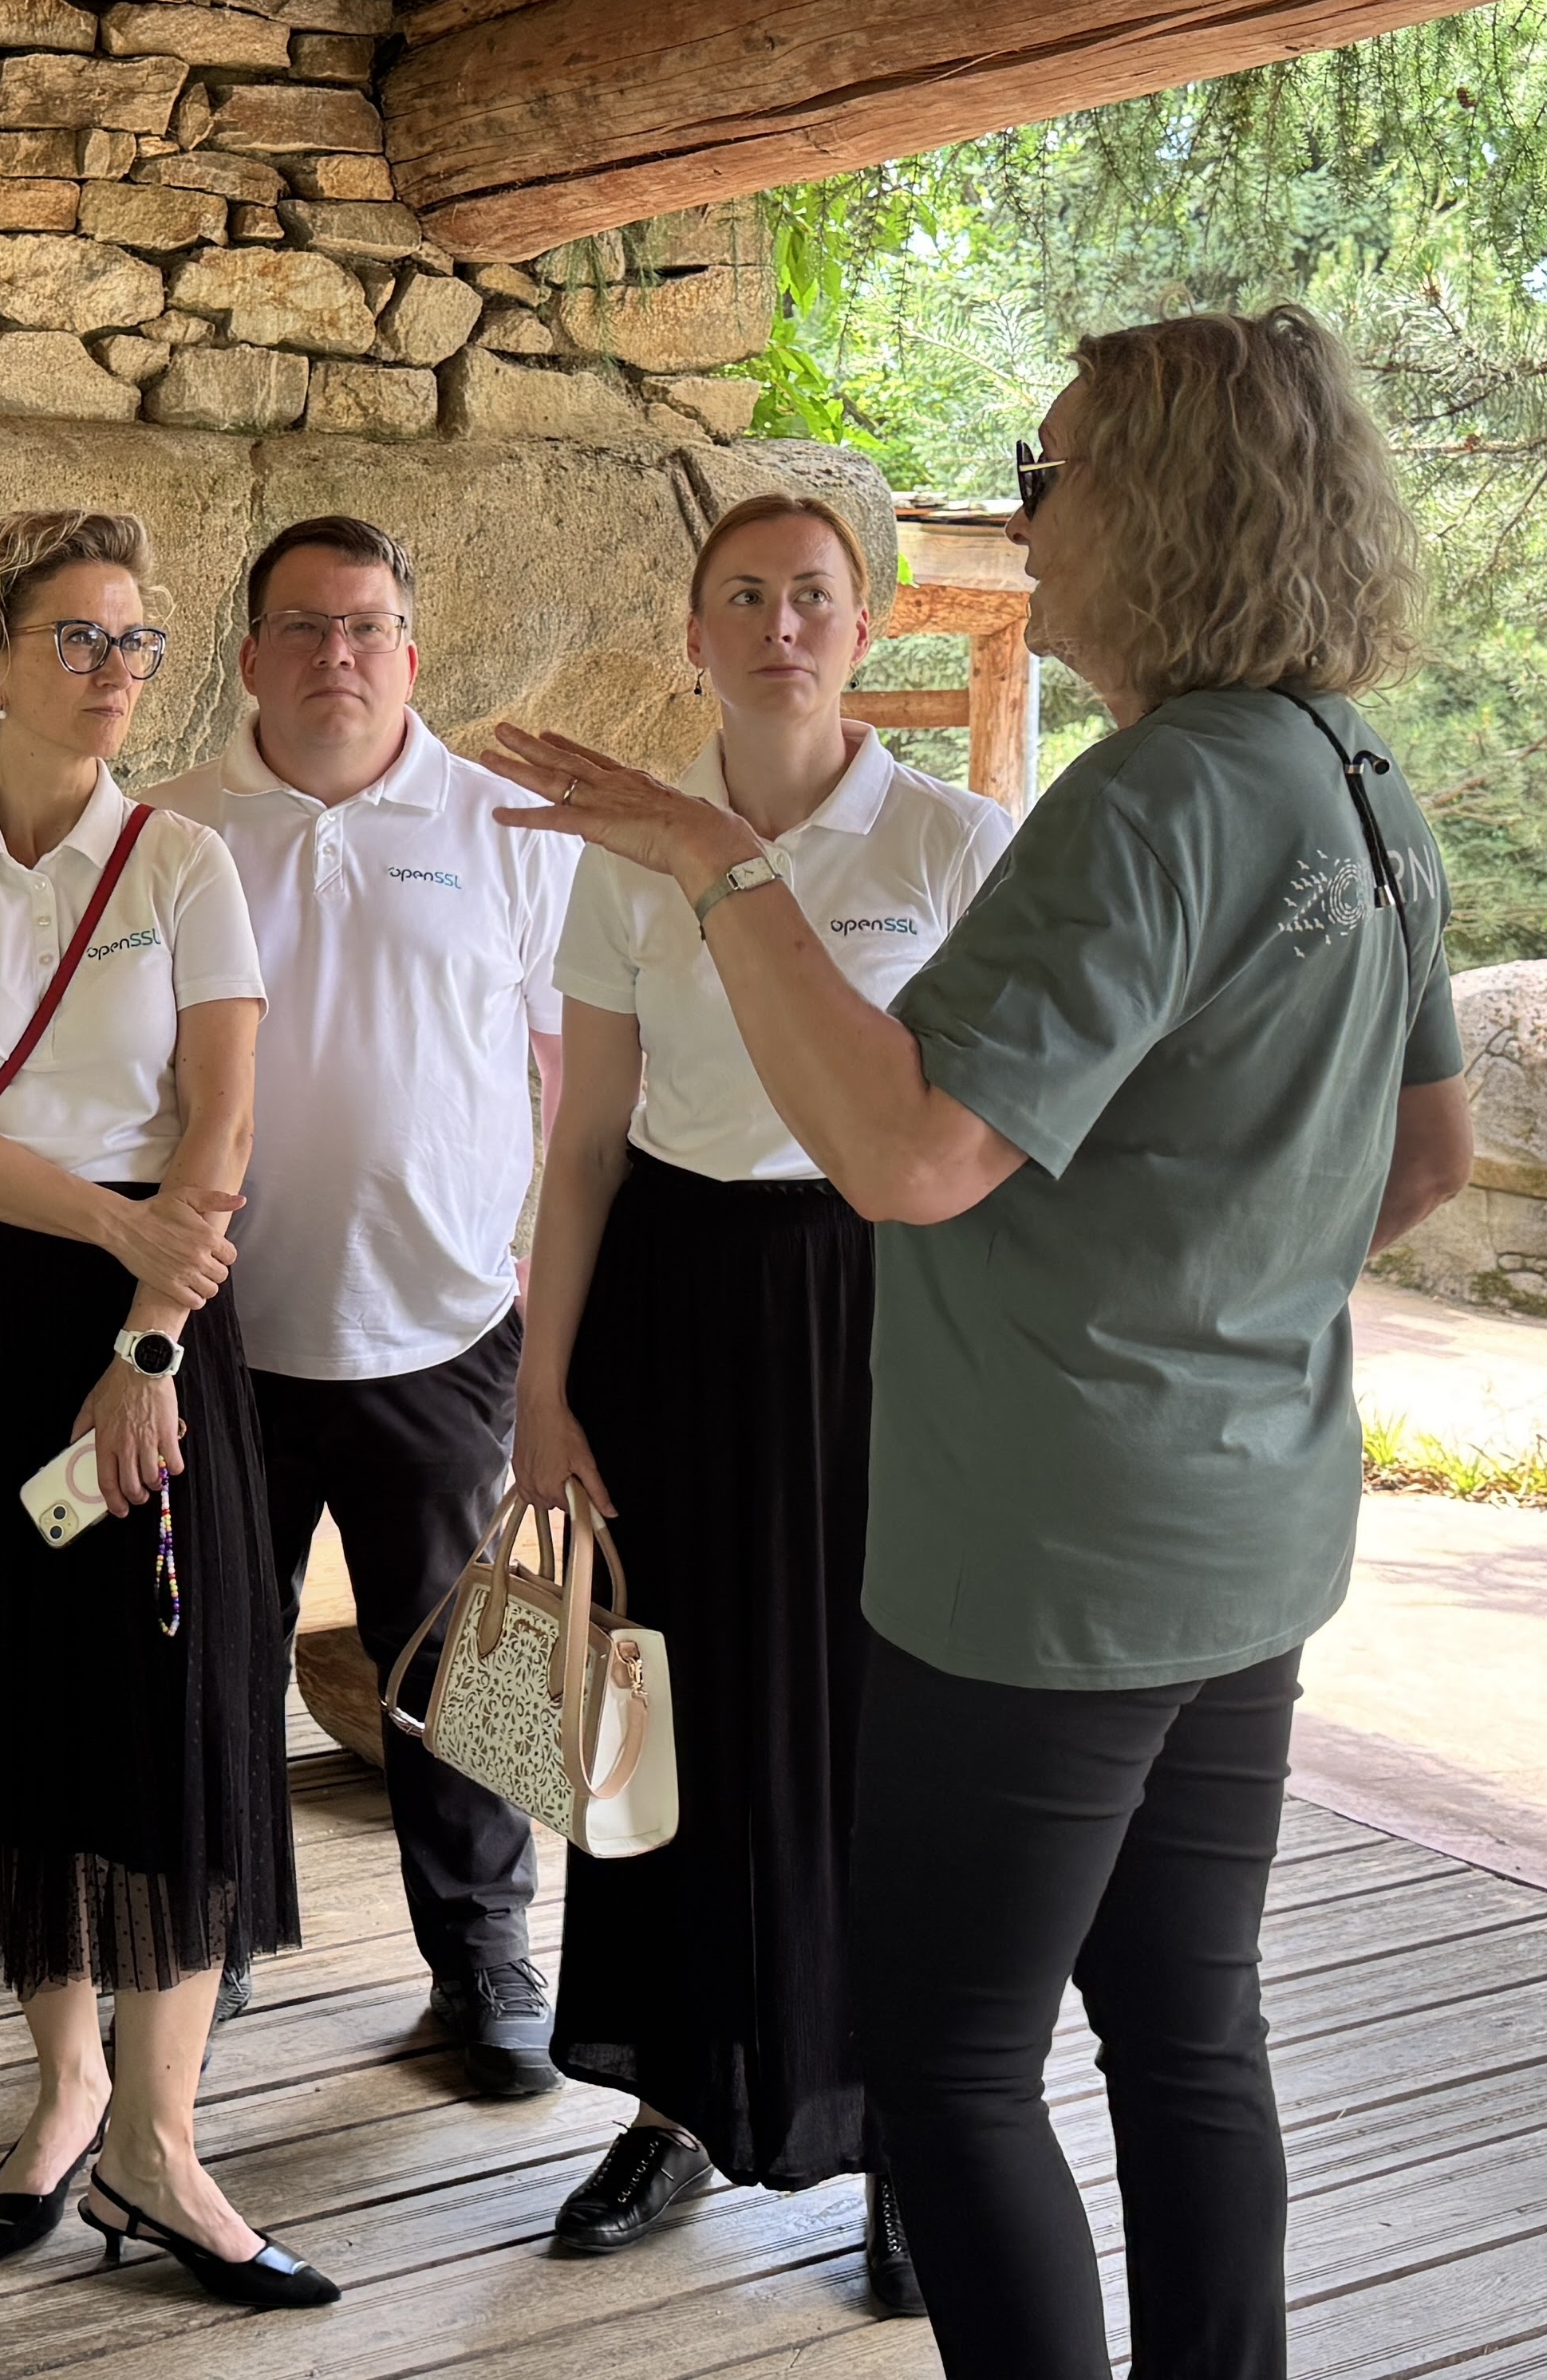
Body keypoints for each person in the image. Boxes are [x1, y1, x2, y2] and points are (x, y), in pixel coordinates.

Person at [487, 307, 1480, 2380]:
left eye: (1053, 476)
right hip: (1251, 1521)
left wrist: (709, 856)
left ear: (1174, 505)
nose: (1025, 525)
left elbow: (898, 1151)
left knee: (949, 2057)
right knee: (1189, 2026)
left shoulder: (1143, 806)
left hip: (1052, 1546)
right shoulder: (1359, 783)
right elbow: (1427, 1152)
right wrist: (1186, 1305)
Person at [0, 509, 333, 2311]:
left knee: (173, 1712)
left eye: (138, 642)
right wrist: (117, 1231)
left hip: (157, 1319)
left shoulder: (183, 862)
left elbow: (224, 1119)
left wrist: (150, 1331)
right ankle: (69, 2087)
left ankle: (162, 2144)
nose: (116, 671)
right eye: (81, 637)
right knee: (14, 1713)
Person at [511, 491, 1014, 2313]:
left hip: (876, 1311)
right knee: (654, 1712)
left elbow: (982, 1146)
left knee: (871, 1729)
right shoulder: (625, 850)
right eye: (747, 595)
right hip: (666, 1300)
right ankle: (665, 2092)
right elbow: (583, 1139)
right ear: (696, 630)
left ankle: (889, 2131)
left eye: (814, 595)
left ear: (864, 625)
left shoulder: (957, 838)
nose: (781, 624)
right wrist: (541, 1384)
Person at [140, 515, 581, 2097]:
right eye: (307, 627)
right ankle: (219, 1933)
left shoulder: (508, 821)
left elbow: (575, 1070)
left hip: (446, 1327)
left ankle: (490, 1953)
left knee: (489, 1668)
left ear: (412, 648)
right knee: (205, 1661)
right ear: (249, 652)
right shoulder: (173, 828)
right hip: (223, 1339)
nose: (341, 655)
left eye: (370, 627)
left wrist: (557, 1300)